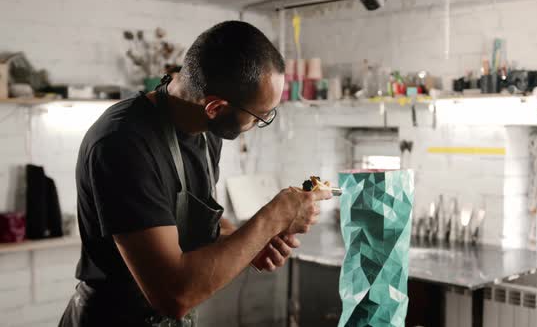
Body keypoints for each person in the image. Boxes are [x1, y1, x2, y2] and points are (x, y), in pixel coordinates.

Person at [59, 20, 332, 326]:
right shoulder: (123, 143)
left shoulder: (206, 129)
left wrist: (248, 243)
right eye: (259, 117)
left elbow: (195, 220)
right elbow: (174, 294)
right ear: (215, 107)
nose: (260, 124)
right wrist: (273, 217)